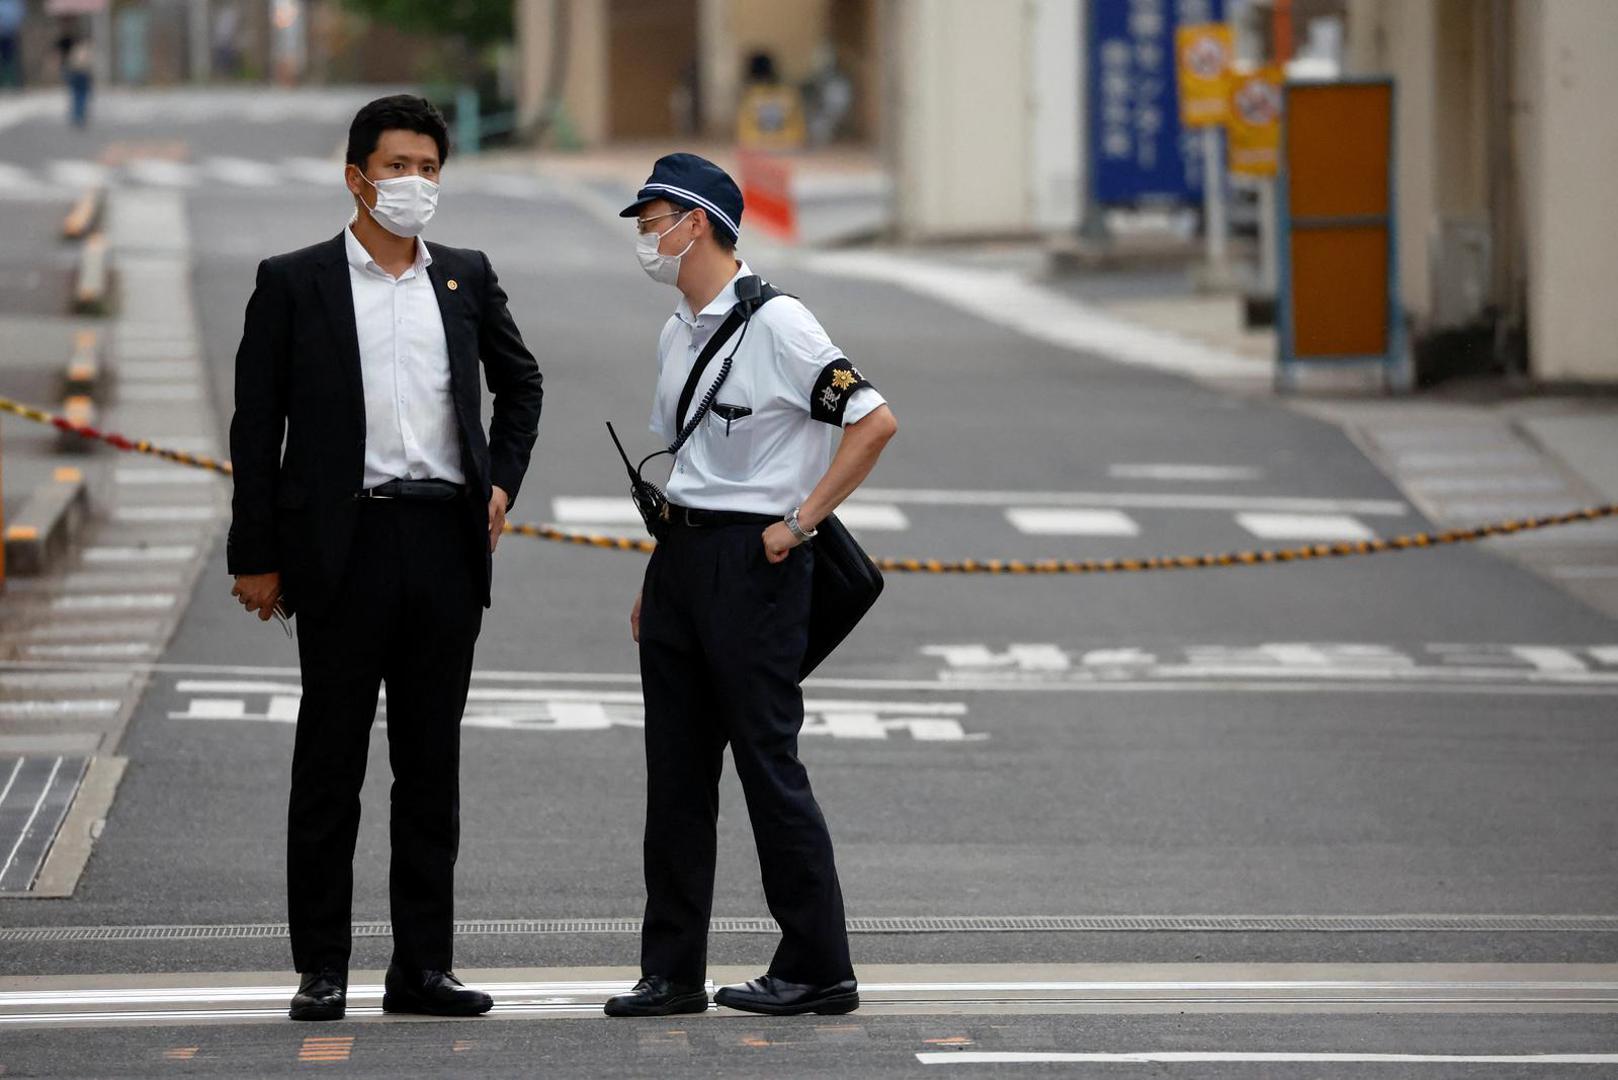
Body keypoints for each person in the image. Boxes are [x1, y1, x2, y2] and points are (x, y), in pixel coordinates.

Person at [226, 95, 544, 1022]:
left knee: (430, 767)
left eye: (430, 168)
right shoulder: (295, 282)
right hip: (342, 546)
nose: (415, 184)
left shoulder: (466, 277)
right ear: (357, 176)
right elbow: (257, 428)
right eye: (398, 166)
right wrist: (257, 551)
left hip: (444, 540)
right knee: (329, 766)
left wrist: (501, 481)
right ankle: (322, 965)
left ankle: (423, 969)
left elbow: (520, 383)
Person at [604, 154, 897, 1019]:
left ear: (695, 223)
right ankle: (671, 971)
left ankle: (818, 964)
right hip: (685, 560)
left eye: (652, 219)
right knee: (675, 775)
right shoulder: (676, 330)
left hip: (757, 565)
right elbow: (691, 465)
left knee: (768, 765)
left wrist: (800, 521)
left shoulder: (782, 326)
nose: (645, 237)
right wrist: (656, 574)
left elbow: (873, 420)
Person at [54, 18, 92, 128]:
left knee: (76, 93)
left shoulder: (66, 40)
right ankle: (79, 114)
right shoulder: (80, 43)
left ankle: (77, 114)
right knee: (80, 93)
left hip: (72, 70)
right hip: (80, 71)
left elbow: (57, 54)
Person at [0, 0, 24, 91]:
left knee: (12, 59)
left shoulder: (15, 3)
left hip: (11, 33)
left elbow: (19, 15)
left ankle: (16, 83)